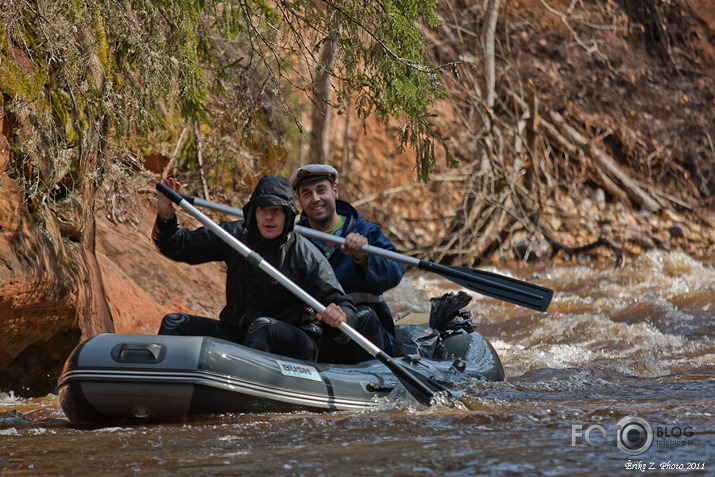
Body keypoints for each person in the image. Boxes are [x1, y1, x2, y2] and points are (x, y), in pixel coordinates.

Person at [152, 175, 357, 362]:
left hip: (296, 341)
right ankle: (158, 391)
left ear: (287, 214)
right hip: (242, 333)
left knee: (262, 327)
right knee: (175, 323)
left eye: (276, 210)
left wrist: (340, 314)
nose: (269, 217)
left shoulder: (305, 255)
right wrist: (166, 218)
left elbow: (342, 302)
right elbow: (178, 246)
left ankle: (244, 395)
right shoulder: (234, 236)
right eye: (263, 209)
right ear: (253, 211)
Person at [289, 164, 406, 363]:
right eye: (307, 194)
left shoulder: (367, 232)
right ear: (299, 200)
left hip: (367, 334)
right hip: (318, 336)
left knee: (365, 316)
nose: (315, 199)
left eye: (321, 190)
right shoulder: (293, 240)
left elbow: (396, 272)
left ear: (335, 192)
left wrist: (362, 257)